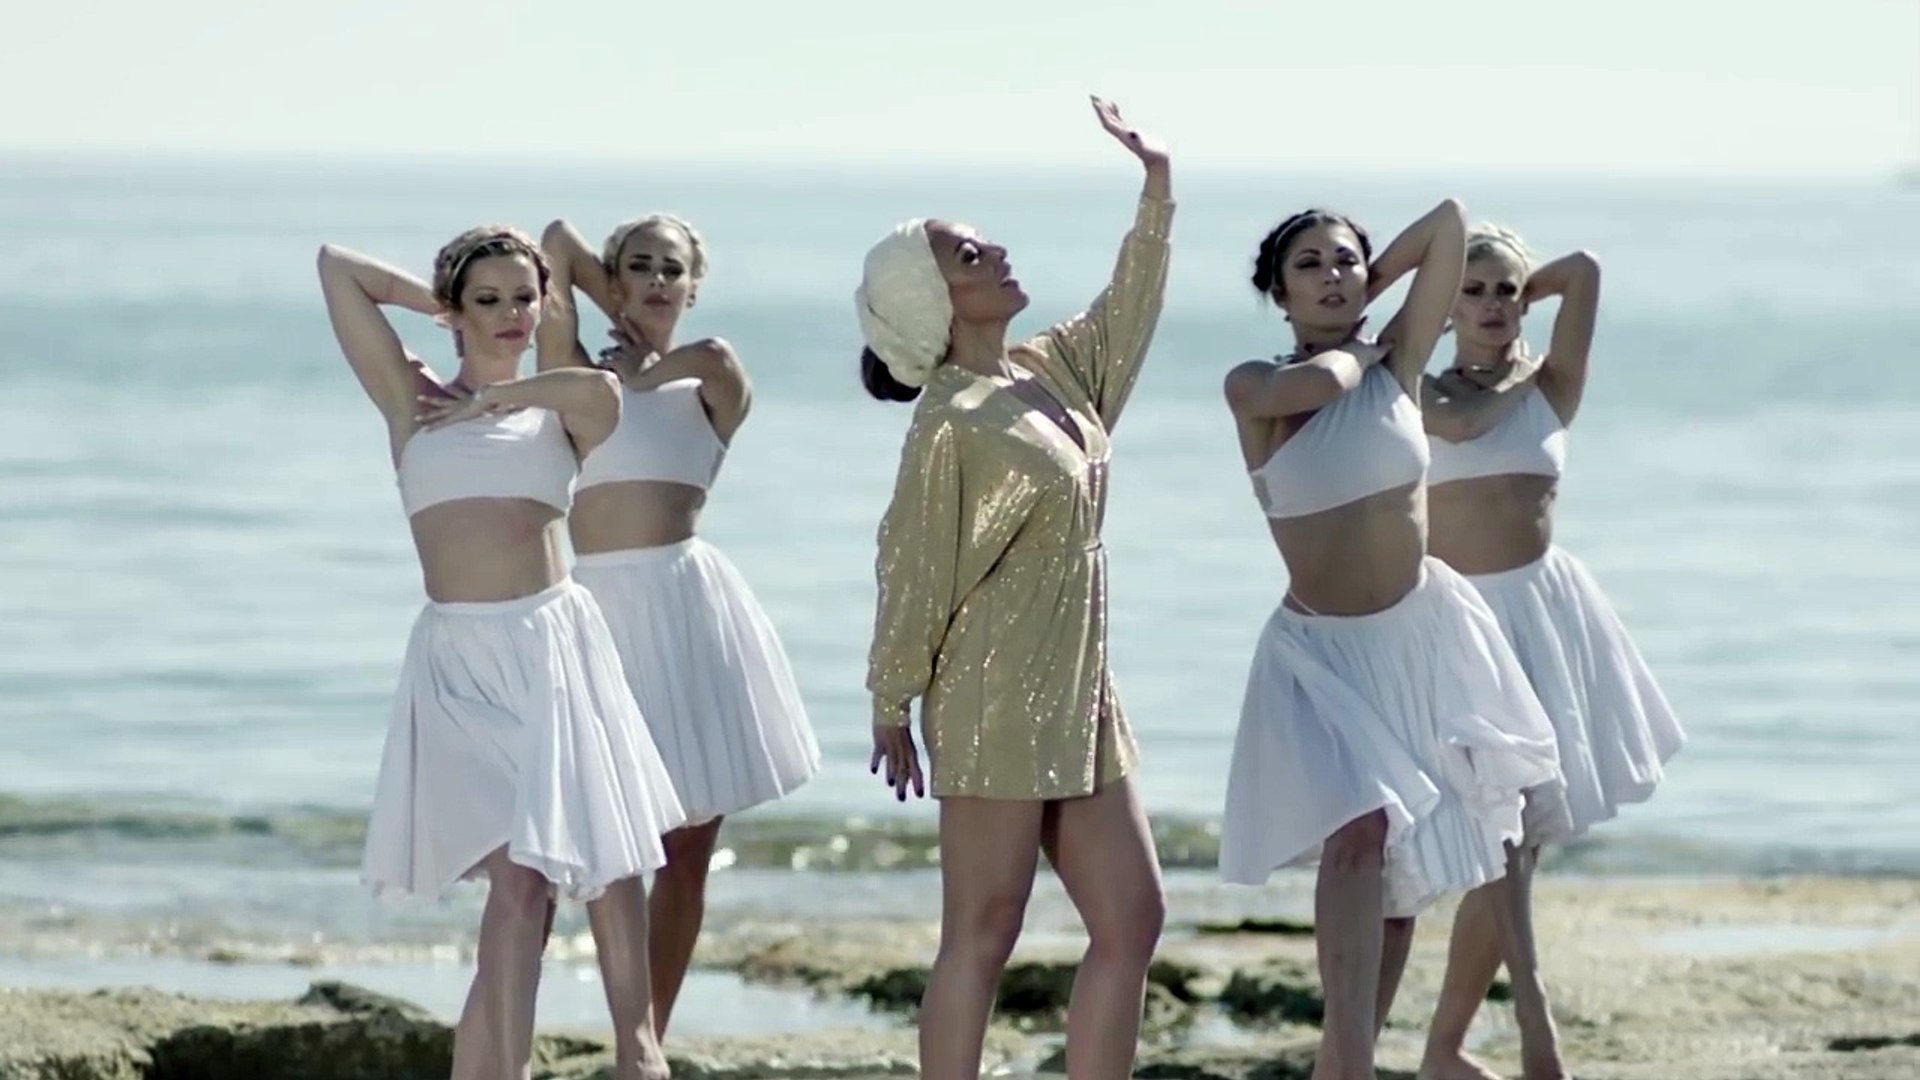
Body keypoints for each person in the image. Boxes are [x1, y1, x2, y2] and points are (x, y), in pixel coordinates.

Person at [318, 226, 686, 1080]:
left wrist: (495, 398)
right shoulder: (411, 403)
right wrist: (442, 304)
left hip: (552, 647)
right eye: (489, 301)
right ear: (458, 312)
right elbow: (337, 269)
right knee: (518, 884)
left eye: (524, 298)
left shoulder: (560, 409)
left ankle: (626, 1053)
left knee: (580, 864)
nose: (511, 314)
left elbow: (601, 392)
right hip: (457, 664)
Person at [857, 96, 1172, 1080]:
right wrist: (891, 699)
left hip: (1080, 691)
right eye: (967, 255)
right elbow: (913, 565)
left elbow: (1130, 309)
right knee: (985, 931)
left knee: (1133, 918)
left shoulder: (1052, 374)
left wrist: (1156, 188)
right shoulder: (949, 423)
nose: (994, 252)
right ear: (932, 304)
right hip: (992, 693)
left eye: (984, 242)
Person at [1217, 202, 1566, 1080]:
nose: (1332, 275)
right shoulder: (1254, 387)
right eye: (1309, 265)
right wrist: (1358, 345)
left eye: (1345, 260)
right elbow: (1317, 386)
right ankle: (1352, 1061)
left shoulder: (1398, 364)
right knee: (1359, 836)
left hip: (1417, 640)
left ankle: (1348, 1062)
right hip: (1323, 655)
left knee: (1400, 882)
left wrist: (1368, 299)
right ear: (1278, 295)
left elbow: (1449, 224)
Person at [536, 212, 821, 1038]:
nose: (657, 280)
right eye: (639, 266)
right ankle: (578, 1019)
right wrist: (617, 305)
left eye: (672, 270)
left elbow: (717, 357)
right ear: (613, 278)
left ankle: (646, 1041)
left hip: (690, 614)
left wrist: (652, 355)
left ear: (695, 287)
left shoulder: (708, 387)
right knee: (603, 841)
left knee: (688, 847)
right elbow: (554, 240)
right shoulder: (578, 377)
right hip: (597, 616)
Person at [1413, 224, 1685, 1080]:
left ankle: (1445, 1050)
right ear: (1445, 305)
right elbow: (1460, 427)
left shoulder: (1554, 388)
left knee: (1520, 843)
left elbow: (1586, 270)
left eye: (1506, 291)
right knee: (1499, 838)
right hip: (1461, 626)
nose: (1494, 305)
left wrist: (1526, 293)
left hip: (1542, 618)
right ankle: (1536, 1028)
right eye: (1473, 291)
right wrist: (1506, 360)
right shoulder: (1419, 390)